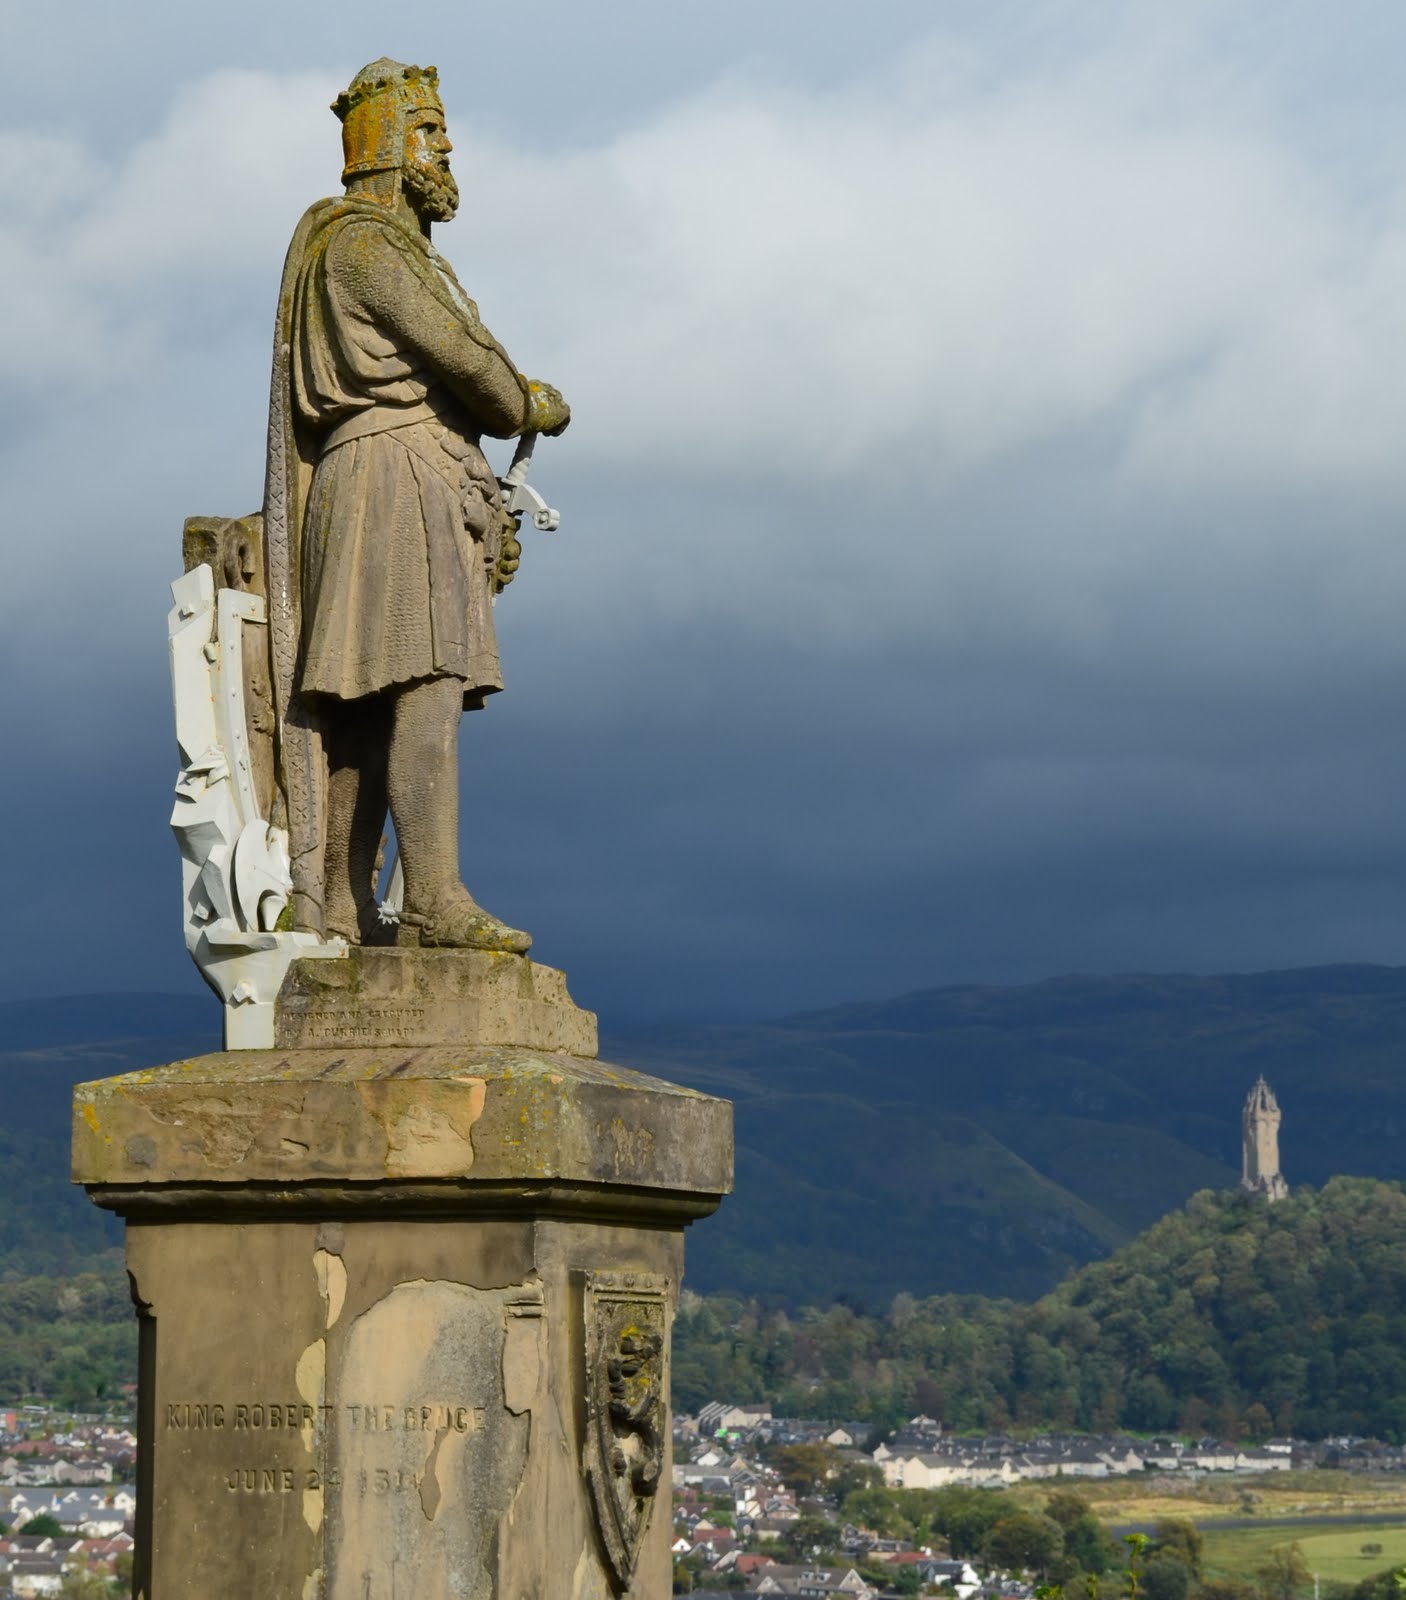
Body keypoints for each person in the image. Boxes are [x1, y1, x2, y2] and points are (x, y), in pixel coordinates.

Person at [263, 59, 569, 950]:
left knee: (369, 700)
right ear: (391, 148)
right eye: (431, 131)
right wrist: (533, 401)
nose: (446, 149)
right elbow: (476, 365)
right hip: (393, 477)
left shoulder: (379, 249)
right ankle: (432, 896)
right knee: (419, 685)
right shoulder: (366, 246)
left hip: (395, 479)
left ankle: (345, 901)